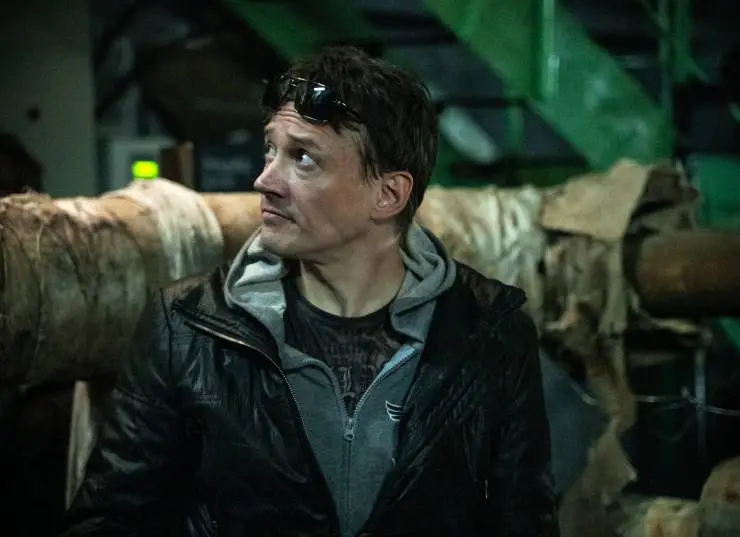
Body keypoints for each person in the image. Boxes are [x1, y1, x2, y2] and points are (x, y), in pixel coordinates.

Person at [60, 46, 559, 537]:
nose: (265, 180)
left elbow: (524, 521)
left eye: (303, 158)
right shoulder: (187, 328)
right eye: (270, 149)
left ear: (388, 194)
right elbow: (109, 519)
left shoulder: (488, 333)